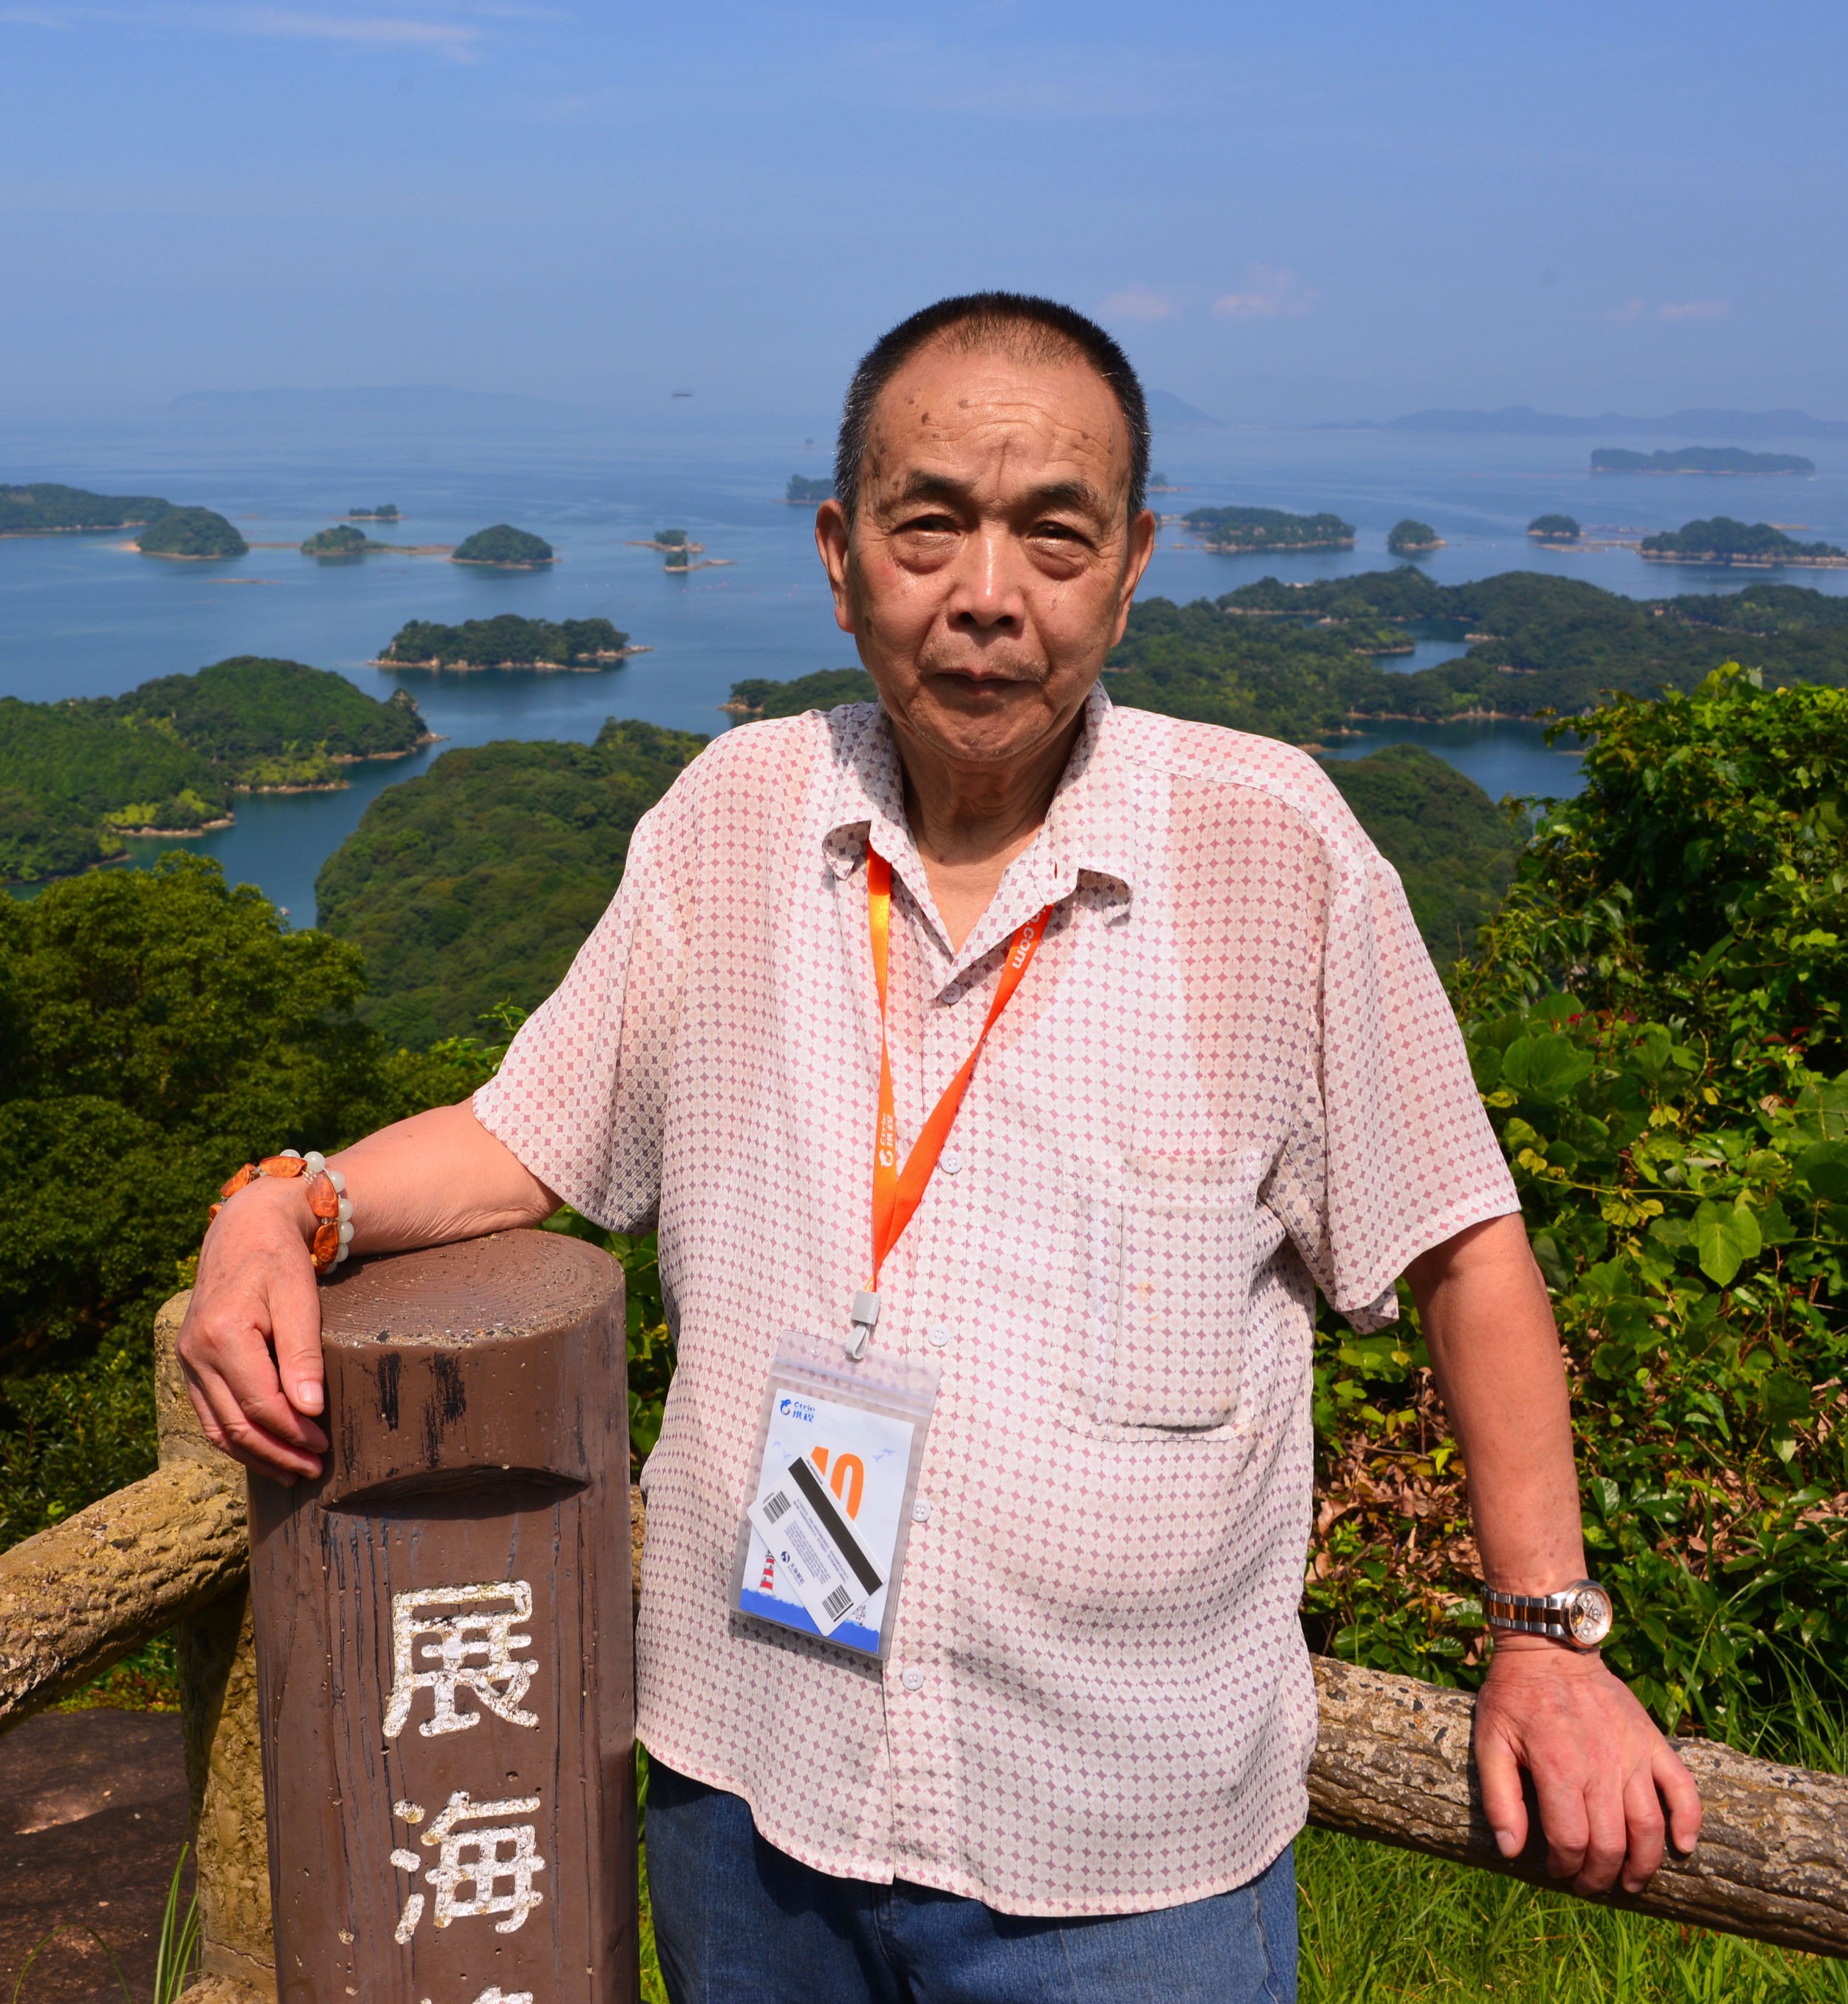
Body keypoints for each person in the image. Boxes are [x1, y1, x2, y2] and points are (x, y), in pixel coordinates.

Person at [178, 291, 1701, 2004]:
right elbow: (517, 1138)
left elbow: (1460, 1244)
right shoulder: (733, 822)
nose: (986, 592)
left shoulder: (1271, 850)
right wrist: (288, 1205)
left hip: (1125, 1858)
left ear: (1129, 567)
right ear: (841, 559)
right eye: (929, 528)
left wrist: (1544, 1632)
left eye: (1053, 534)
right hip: (744, 1798)